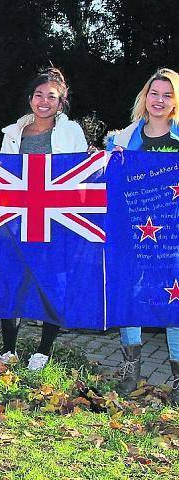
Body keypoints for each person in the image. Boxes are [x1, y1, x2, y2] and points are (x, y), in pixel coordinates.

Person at [0, 68, 87, 371]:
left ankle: (43, 351)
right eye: (38, 95)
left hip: (55, 219)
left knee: (51, 284)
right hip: (18, 218)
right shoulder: (12, 133)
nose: (44, 101)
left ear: (61, 102)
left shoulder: (71, 131)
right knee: (13, 283)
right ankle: (8, 349)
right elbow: (0, 176)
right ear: (30, 98)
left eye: (51, 96)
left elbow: (83, 175)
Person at [106, 68, 179, 402]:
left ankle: (177, 378)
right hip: (133, 233)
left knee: (174, 301)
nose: (160, 100)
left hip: (174, 235)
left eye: (167, 94)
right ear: (144, 98)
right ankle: (130, 372)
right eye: (154, 93)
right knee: (130, 295)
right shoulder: (122, 140)